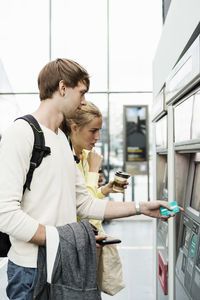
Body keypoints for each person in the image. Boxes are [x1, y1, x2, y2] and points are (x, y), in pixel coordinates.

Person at [0, 58, 183, 300]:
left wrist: (140, 207)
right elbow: (5, 214)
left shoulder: (62, 141)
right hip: (30, 271)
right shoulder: (21, 133)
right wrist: (64, 241)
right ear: (62, 88)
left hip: (63, 266)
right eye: (82, 92)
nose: (84, 101)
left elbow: (85, 204)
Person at [61, 101, 126, 234]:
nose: (98, 137)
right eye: (93, 131)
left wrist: (103, 190)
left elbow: (86, 196)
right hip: (80, 237)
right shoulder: (64, 160)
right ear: (74, 128)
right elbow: (84, 208)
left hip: (96, 233)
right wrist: (93, 170)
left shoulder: (86, 155)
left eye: (99, 131)